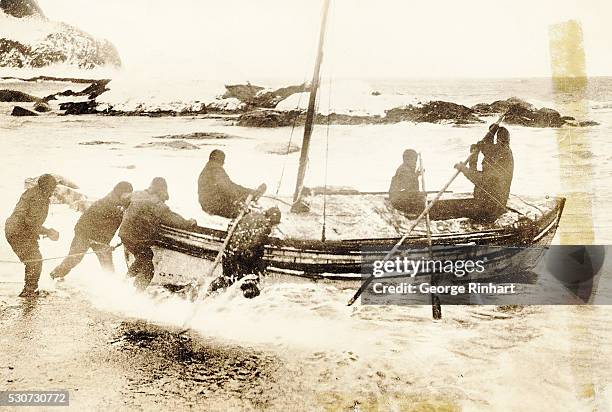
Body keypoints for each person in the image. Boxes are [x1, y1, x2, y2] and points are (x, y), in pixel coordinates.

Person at [119, 178, 197, 290]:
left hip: (124, 233)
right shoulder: (156, 203)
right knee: (148, 269)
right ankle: (135, 294)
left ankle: (124, 282)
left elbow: (123, 200)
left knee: (145, 256)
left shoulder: (137, 194)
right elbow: (172, 219)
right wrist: (189, 222)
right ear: (161, 191)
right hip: (135, 238)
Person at [50, 181, 133, 279]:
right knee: (74, 258)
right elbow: (90, 222)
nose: (129, 196)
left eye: (130, 194)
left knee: (107, 264)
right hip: (84, 233)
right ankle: (55, 275)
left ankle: (110, 286)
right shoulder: (108, 203)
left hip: (101, 238)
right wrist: (98, 241)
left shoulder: (123, 202)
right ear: (120, 192)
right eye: (127, 194)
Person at [208, 206, 282, 298]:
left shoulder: (250, 215)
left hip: (229, 252)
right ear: (272, 219)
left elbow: (232, 228)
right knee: (250, 286)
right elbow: (254, 244)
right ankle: (246, 306)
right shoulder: (266, 225)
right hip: (241, 257)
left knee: (226, 278)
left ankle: (208, 292)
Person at [5, 174, 59, 297]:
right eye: (52, 189)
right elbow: (31, 223)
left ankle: (29, 289)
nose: (53, 192)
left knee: (33, 260)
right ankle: (29, 291)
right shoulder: (38, 198)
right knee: (35, 260)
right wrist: (48, 232)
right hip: (19, 232)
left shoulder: (33, 192)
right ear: (47, 188)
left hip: (16, 229)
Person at [454, 126, 514, 222]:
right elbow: (488, 148)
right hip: (486, 203)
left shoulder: (502, 154)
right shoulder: (502, 153)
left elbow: (480, 180)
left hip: (490, 210)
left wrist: (463, 169)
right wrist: (491, 132)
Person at [198, 149, 266, 218]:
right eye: (223, 160)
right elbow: (227, 188)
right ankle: (253, 195)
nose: (224, 163)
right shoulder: (215, 169)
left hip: (208, 204)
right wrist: (238, 199)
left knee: (238, 194)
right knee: (247, 213)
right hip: (214, 206)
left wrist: (246, 191)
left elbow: (229, 185)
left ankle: (252, 194)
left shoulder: (208, 168)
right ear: (220, 160)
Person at [388, 149, 426, 214]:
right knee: (420, 196)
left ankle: (415, 212)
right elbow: (407, 186)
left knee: (420, 195)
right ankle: (413, 214)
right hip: (397, 199)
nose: (415, 163)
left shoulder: (408, 169)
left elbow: (411, 182)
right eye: (413, 160)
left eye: (415, 160)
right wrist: (416, 175)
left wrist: (417, 174)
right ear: (406, 160)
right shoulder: (404, 170)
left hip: (400, 197)